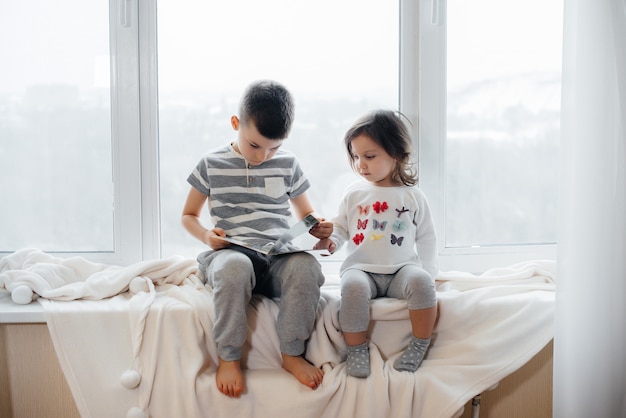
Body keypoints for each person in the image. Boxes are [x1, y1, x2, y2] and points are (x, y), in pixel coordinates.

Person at [182, 80, 333, 397]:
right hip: (232, 254)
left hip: (277, 256)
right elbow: (189, 216)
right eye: (255, 146)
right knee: (234, 268)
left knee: (305, 268)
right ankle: (229, 357)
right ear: (236, 124)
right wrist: (206, 235)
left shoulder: (288, 164)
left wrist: (318, 227)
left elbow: (308, 215)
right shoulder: (211, 164)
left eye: (274, 148)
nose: (264, 156)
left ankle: (291, 354)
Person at [314, 110, 438, 378]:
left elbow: (427, 237)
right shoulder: (354, 192)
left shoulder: (412, 195)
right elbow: (342, 227)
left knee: (423, 284)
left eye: (369, 156)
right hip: (362, 269)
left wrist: (429, 272)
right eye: (356, 157)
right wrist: (331, 241)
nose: (361, 164)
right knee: (353, 287)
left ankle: (420, 344)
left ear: (396, 154)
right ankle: (357, 349)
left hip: (401, 270)